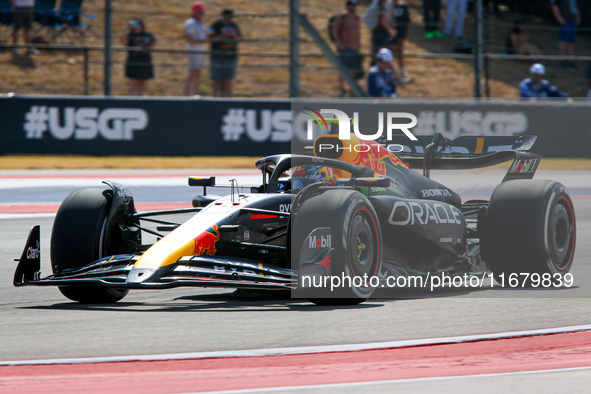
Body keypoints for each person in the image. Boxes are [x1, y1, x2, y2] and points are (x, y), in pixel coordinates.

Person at [207, 9, 241, 97]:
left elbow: (239, 38)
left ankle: (227, 100)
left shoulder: (234, 25)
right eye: (226, 17)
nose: (228, 19)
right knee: (216, 79)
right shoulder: (215, 25)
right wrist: (224, 36)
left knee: (228, 80)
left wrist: (234, 36)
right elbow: (209, 38)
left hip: (230, 56)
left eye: (230, 17)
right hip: (217, 56)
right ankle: (214, 100)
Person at [120, 17, 156, 96]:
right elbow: (123, 41)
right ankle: (132, 103)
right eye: (134, 24)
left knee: (141, 85)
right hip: (133, 62)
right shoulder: (130, 35)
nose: (136, 26)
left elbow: (153, 42)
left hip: (145, 62)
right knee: (133, 84)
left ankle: (139, 102)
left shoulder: (147, 35)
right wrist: (126, 28)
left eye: (137, 24)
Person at [332, 0, 361, 97]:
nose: (352, 7)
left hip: (354, 48)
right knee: (343, 69)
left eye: (354, 5)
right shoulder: (342, 16)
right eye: (351, 5)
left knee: (353, 69)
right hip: (345, 48)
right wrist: (339, 43)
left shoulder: (356, 18)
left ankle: (352, 89)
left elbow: (357, 32)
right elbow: (335, 30)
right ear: (347, 5)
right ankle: (342, 89)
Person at [185, 1, 208, 96]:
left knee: (197, 73)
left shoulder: (199, 22)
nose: (202, 12)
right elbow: (189, 38)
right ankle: (188, 93)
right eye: (201, 10)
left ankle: (195, 93)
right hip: (194, 49)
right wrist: (201, 41)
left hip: (200, 49)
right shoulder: (191, 22)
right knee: (193, 72)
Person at [364, 0, 396, 65]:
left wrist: (388, 25)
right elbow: (366, 17)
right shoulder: (374, 6)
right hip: (377, 31)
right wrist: (372, 27)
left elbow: (392, 15)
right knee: (375, 52)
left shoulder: (389, 3)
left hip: (386, 31)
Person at [550, 0, 580, 69]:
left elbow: (575, 7)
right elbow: (554, 5)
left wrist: (578, 17)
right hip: (565, 21)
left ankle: (571, 61)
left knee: (571, 42)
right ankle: (562, 61)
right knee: (563, 40)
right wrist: (559, 18)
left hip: (573, 21)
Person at [391, 0, 411, 83]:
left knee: (400, 50)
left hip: (401, 30)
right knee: (393, 49)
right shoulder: (389, 5)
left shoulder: (403, 5)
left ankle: (402, 69)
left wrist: (407, 29)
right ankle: (392, 69)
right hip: (392, 30)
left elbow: (407, 19)